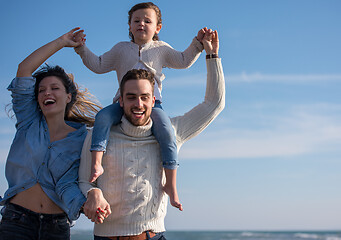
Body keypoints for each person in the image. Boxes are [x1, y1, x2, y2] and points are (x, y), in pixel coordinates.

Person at [79, 29, 224, 239]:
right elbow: (84, 181)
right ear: (120, 100)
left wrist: (212, 55)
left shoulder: (171, 132)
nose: (138, 104)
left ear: (153, 100)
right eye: (131, 97)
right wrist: (94, 193)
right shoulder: (98, 135)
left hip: (153, 236)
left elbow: (214, 104)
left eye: (144, 97)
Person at [74, 2, 206, 210]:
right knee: (102, 118)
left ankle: (171, 185)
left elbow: (183, 60)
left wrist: (197, 43)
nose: (141, 24)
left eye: (147, 21)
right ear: (129, 25)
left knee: (167, 132)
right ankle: (96, 164)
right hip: (121, 102)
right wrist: (81, 49)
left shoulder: (161, 49)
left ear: (157, 28)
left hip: (153, 106)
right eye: (136, 21)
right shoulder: (120, 49)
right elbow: (98, 65)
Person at [0, 28, 102, 240]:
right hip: (16, 222)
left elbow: (75, 183)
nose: (47, 92)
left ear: (68, 97)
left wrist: (92, 199)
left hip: (56, 227)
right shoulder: (28, 123)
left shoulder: (84, 139)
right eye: (41, 90)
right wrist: (62, 42)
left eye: (54, 88)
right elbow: (24, 70)